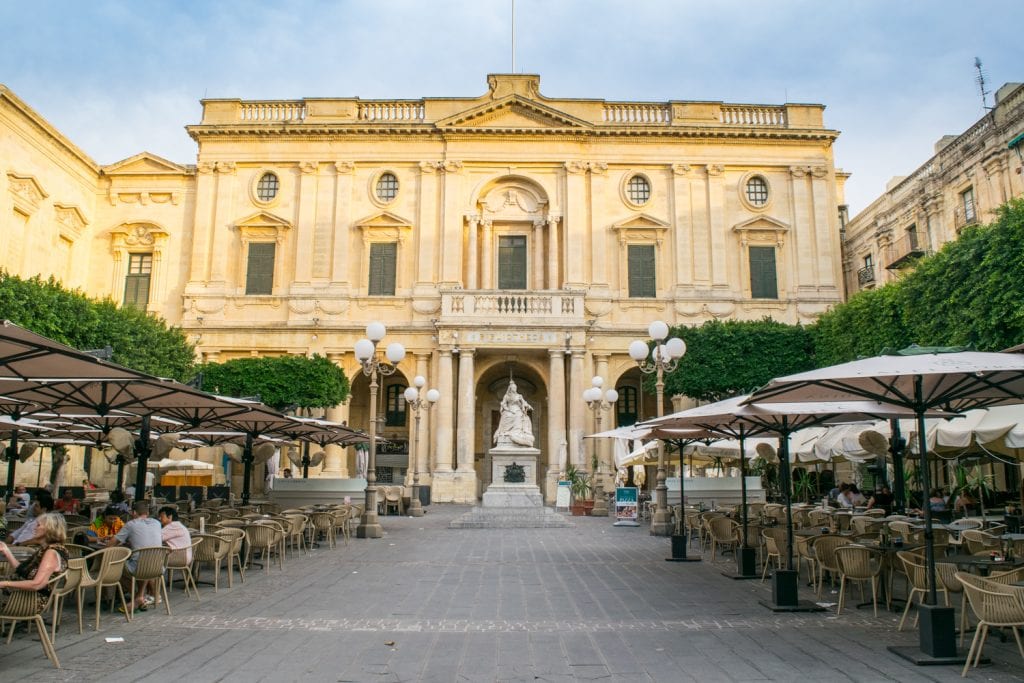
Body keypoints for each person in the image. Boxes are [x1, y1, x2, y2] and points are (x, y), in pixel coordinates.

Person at [0, 513, 69, 609]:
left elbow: (37, 584)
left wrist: (5, 583)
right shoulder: (48, 549)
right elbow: (23, 570)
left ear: (49, 529)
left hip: (29, 601)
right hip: (23, 595)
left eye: (38, 525)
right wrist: (6, 551)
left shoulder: (51, 553)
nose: (34, 528)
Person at [107, 500, 162, 612]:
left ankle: (136, 596)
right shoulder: (157, 523)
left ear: (133, 513)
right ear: (147, 512)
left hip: (140, 566)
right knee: (143, 561)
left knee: (115, 566)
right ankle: (140, 597)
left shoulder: (131, 524)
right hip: (158, 566)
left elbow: (112, 543)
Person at [493, 380, 534, 448]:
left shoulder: (519, 396)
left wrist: (528, 406)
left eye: (516, 388)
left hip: (517, 410)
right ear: (510, 388)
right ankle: (507, 433)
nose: (515, 389)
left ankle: (517, 433)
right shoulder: (507, 396)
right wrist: (508, 410)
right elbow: (504, 404)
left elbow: (524, 402)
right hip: (509, 410)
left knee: (520, 416)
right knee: (506, 415)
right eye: (513, 388)